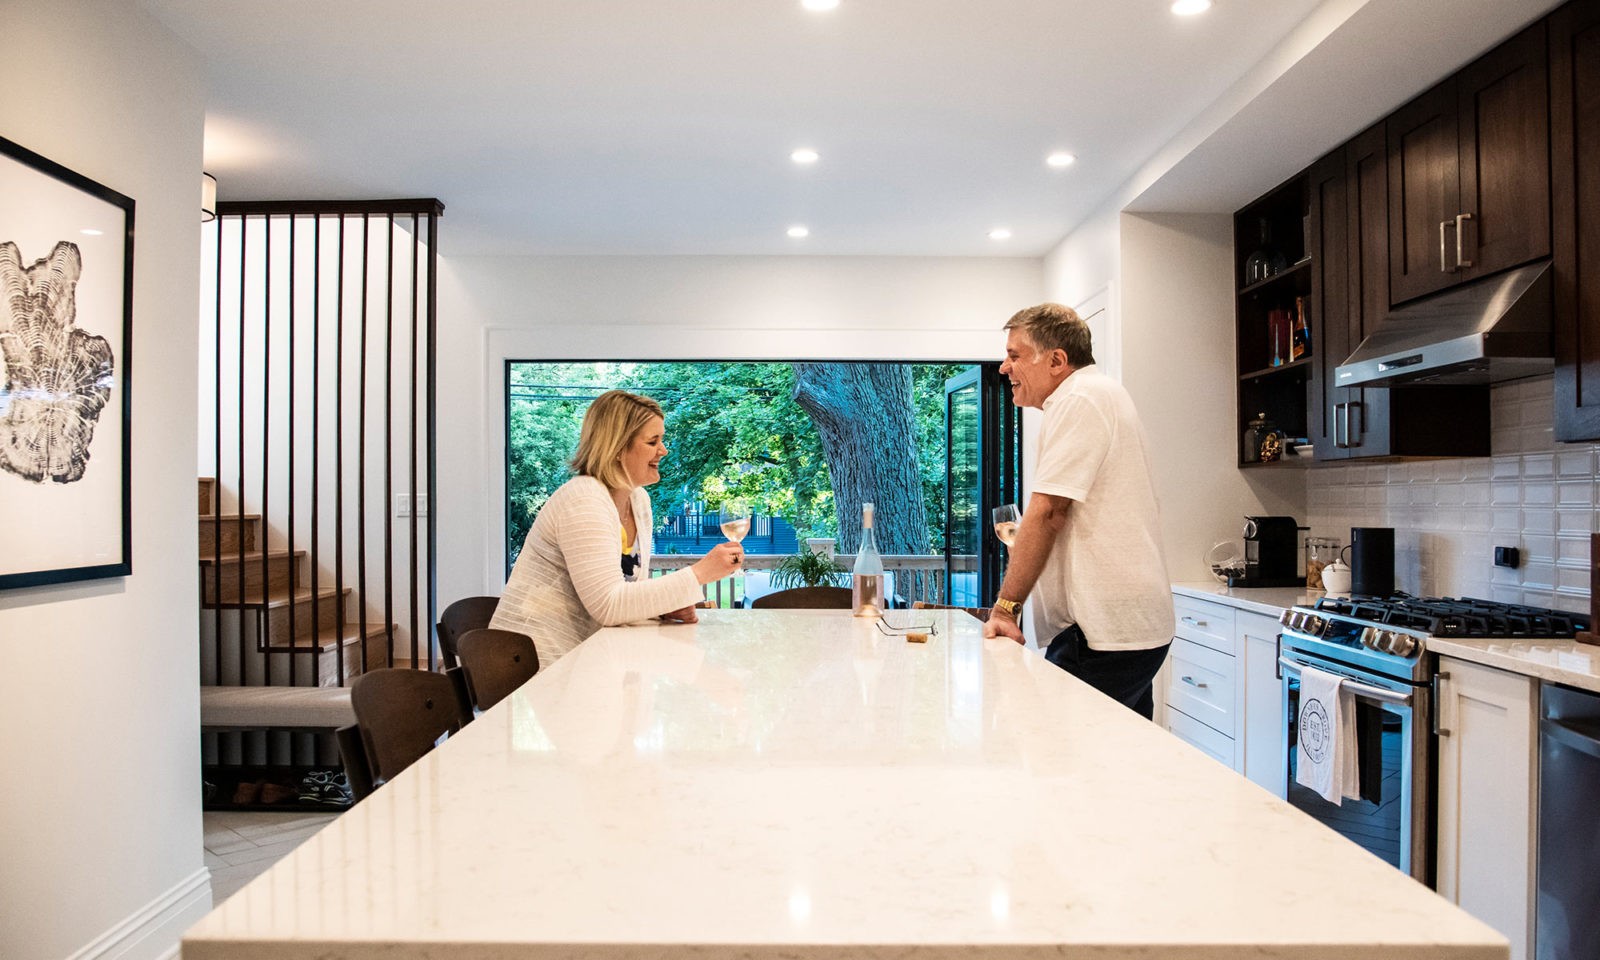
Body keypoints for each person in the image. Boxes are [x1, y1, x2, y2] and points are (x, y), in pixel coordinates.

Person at [982, 303, 1174, 719]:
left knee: (1060, 760)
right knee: (1122, 760)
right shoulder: (1098, 394)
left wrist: (1005, 608)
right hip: (1128, 628)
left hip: (1102, 632)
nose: (1003, 367)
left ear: (1056, 360)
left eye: (1015, 355)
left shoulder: (1079, 399)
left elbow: (1049, 511)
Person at [490, 390, 742, 668]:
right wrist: (699, 573)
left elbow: (626, 589)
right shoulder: (583, 499)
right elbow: (608, 605)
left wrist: (663, 607)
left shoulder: (638, 500)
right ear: (618, 448)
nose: (664, 450)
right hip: (533, 665)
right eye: (652, 441)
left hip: (586, 658)